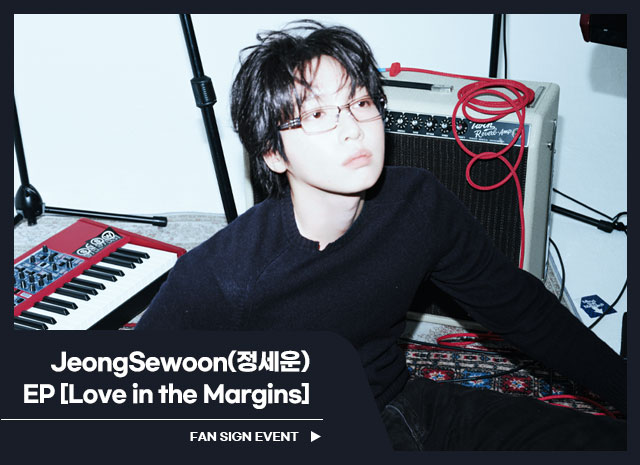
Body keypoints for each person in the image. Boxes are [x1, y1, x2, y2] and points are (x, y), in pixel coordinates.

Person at [136, 20, 626, 450]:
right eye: (318, 115)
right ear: (273, 154)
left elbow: (524, 311)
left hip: (403, 402)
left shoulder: (418, 205)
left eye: (360, 102)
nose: (353, 129)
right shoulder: (225, 276)